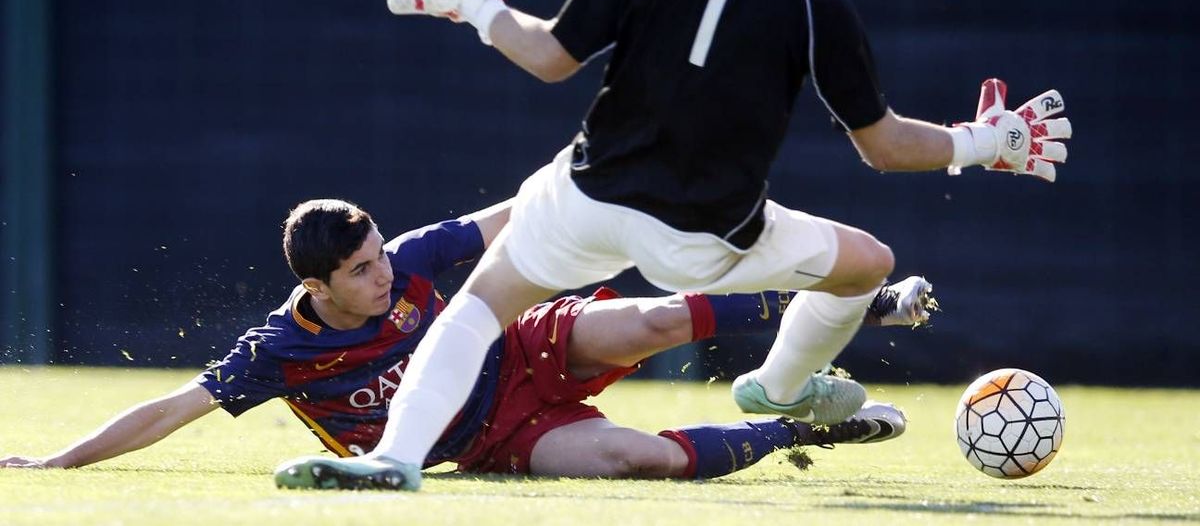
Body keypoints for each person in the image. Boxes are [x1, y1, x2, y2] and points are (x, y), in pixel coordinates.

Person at [276, 0, 1071, 491]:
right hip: (709, 237)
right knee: (868, 264)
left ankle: (394, 459)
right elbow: (886, 147)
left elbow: (551, 57)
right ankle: (781, 388)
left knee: (479, 307)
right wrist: (981, 141)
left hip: (587, 198)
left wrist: (475, 1)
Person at [0, 198, 927, 481]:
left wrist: (601, 179)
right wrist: (55, 464)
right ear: (314, 287)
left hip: (522, 351)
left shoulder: (402, 262)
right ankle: (805, 431)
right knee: (631, 458)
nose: (384, 275)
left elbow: (518, 211)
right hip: (490, 442)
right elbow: (174, 407)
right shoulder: (275, 352)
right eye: (360, 273)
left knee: (650, 317)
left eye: (377, 256)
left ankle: (867, 307)